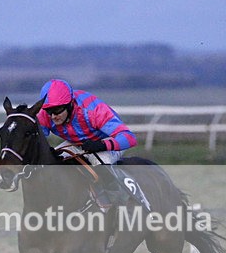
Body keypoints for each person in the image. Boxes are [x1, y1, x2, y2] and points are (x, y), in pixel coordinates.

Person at [36, 79, 150, 211]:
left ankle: (121, 203)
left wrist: (102, 145)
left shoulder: (93, 110)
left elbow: (129, 138)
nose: (53, 116)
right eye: (49, 111)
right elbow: (38, 139)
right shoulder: (46, 114)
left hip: (108, 141)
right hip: (78, 143)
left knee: (100, 163)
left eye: (57, 110)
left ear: (70, 104)